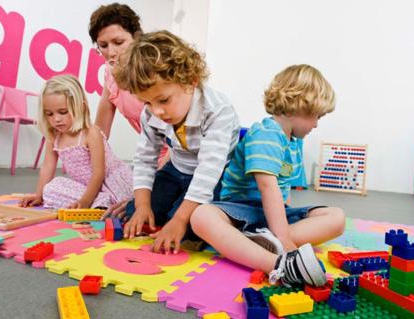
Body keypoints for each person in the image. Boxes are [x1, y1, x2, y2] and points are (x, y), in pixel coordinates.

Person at [190, 64, 345, 287]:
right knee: (202, 216)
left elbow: (283, 190)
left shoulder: (293, 142)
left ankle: (252, 244)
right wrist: (285, 239)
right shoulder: (266, 133)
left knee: (336, 217)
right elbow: (267, 187)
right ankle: (279, 263)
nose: (316, 125)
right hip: (242, 209)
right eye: (316, 116)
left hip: (273, 215)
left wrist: (283, 227)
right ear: (300, 106)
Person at [112, 30, 240, 253]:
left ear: (190, 82)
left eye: (163, 100)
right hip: (177, 170)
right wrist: (142, 205)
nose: (157, 111)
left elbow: (208, 172)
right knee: (137, 213)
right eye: (147, 102)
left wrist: (180, 220)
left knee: (187, 224)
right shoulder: (151, 112)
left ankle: (232, 220)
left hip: (217, 177)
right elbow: (144, 159)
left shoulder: (218, 111)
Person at [88, 3, 168, 216]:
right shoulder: (110, 72)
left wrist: (145, 191)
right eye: (103, 45)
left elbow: (180, 143)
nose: (111, 52)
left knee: (138, 209)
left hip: (177, 157)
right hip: (149, 158)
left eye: (119, 42)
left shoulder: (153, 72)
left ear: (137, 37)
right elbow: (100, 132)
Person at [21, 74, 133, 209]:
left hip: (112, 184)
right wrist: (39, 194)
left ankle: (106, 203)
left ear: (81, 107)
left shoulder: (91, 133)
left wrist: (85, 202)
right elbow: (47, 167)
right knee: (50, 189)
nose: (56, 119)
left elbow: (99, 174)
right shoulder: (54, 135)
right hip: (88, 188)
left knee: (114, 197)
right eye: (49, 114)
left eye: (62, 112)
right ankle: (101, 203)